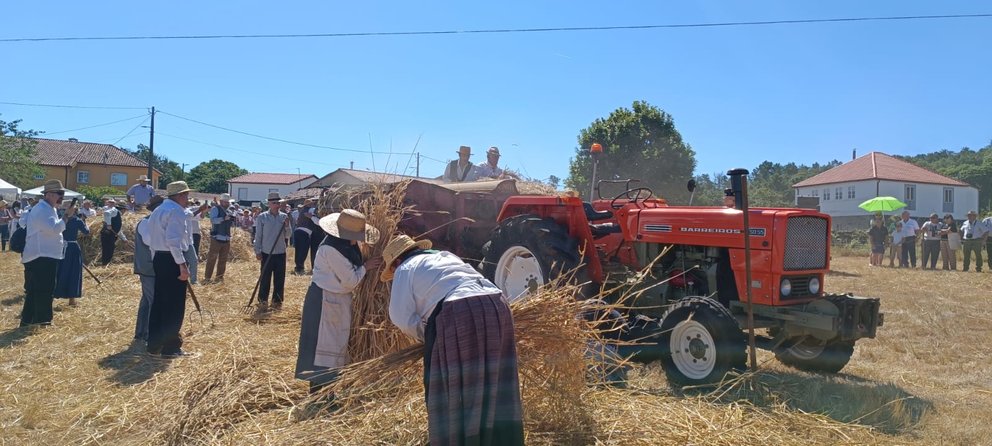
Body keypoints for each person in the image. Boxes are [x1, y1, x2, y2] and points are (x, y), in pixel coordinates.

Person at [381, 234, 525, 445]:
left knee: (456, 386)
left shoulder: (405, 268)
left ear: (396, 262)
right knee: (496, 378)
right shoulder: (445, 256)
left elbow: (400, 317)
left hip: (460, 311)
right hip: (498, 305)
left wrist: (429, 337)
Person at [295, 209, 382, 393]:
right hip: (325, 301)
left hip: (336, 300)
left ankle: (330, 391)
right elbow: (350, 281)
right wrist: (366, 267)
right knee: (324, 347)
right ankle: (319, 394)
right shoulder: (331, 249)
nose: (358, 239)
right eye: (356, 236)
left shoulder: (344, 246)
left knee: (334, 344)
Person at [145, 181, 194, 357]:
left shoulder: (158, 210)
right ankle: (171, 347)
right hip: (172, 259)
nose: (188, 199)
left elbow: (151, 238)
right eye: (186, 195)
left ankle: (154, 345)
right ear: (180, 196)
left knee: (159, 302)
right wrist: (182, 265)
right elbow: (173, 241)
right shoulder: (176, 212)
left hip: (159, 257)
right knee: (174, 305)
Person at [20, 180, 75, 327]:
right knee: (44, 290)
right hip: (42, 256)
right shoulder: (43, 209)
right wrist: (67, 216)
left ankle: (28, 321)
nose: (62, 197)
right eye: (60, 194)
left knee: (35, 291)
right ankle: (42, 321)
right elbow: (54, 229)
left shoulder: (48, 208)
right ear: (49, 194)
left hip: (42, 255)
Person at [133, 195, 164, 343]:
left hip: (152, 267)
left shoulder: (154, 223)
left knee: (146, 301)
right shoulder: (145, 223)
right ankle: (151, 335)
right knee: (154, 301)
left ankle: (141, 333)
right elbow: (150, 242)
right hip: (148, 267)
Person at [253, 192, 292, 310]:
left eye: (278, 203)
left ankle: (277, 301)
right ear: (269, 204)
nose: (277, 205)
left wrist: (287, 226)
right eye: (274, 203)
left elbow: (289, 235)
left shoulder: (284, 217)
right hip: (266, 252)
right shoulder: (262, 217)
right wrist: (257, 251)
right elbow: (258, 235)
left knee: (280, 278)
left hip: (280, 252)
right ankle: (263, 300)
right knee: (265, 277)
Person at [54, 210, 90, 306]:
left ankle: (56, 293)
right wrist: (85, 223)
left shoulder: (59, 220)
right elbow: (86, 231)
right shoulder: (77, 220)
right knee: (73, 272)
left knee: (60, 271)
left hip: (61, 247)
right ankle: (72, 300)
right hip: (73, 248)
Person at [204, 193, 236, 283]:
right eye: (226, 202)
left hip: (226, 238)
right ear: (221, 201)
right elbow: (213, 220)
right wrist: (223, 218)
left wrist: (232, 220)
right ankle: (207, 278)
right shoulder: (215, 208)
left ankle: (219, 278)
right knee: (212, 259)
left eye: (228, 202)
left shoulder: (229, 211)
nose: (227, 204)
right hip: (216, 237)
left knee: (223, 259)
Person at [293, 201, 317, 274]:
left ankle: (298, 267)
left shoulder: (304, 210)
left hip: (299, 232)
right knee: (303, 251)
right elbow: (316, 211)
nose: (313, 204)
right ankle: (299, 268)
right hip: (304, 233)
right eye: (312, 203)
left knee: (299, 251)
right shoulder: (309, 210)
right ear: (309, 204)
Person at [99, 198, 125, 265]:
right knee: (108, 250)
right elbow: (106, 213)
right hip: (107, 234)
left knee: (109, 250)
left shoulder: (118, 215)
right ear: (123, 209)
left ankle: (106, 264)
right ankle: (105, 264)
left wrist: (124, 239)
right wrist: (109, 224)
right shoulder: (115, 211)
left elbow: (118, 229)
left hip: (111, 234)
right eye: (125, 210)